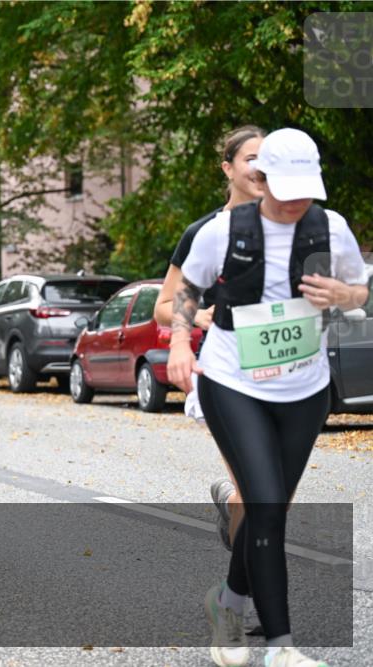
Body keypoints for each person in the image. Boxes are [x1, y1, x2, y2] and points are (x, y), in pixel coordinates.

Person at [167, 128, 368, 667]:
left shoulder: (333, 228)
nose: (299, 198)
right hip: (233, 382)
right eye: (288, 186)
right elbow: (185, 293)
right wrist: (182, 343)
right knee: (265, 503)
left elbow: (359, 289)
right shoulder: (221, 230)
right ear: (263, 178)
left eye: (309, 187)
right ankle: (281, 648)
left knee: (269, 506)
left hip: (303, 389)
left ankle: (228, 604)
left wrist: (345, 295)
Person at [155, 126, 267, 551]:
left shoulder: (290, 226)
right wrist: (198, 315)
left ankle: (230, 503)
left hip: (278, 372)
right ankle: (246, 596)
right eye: (251, 158)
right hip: (223, 371)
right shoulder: (203, 233)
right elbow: (164, 305)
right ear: (228, 167)